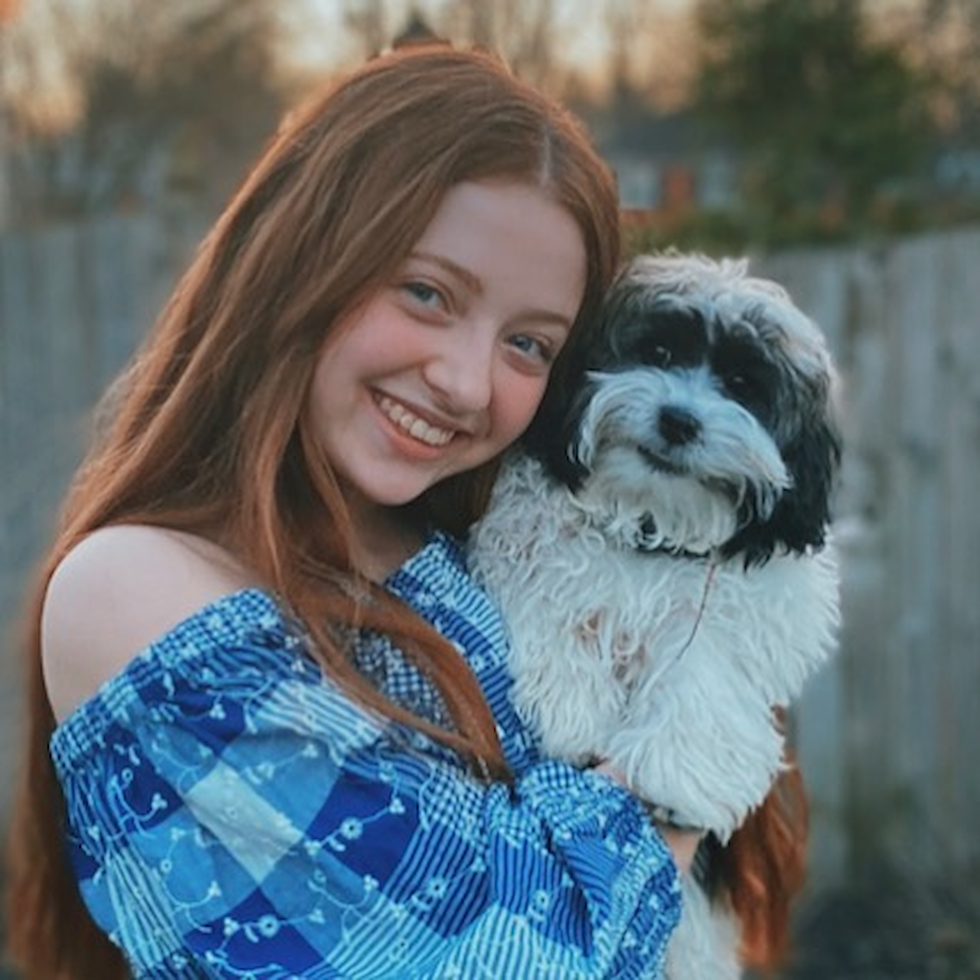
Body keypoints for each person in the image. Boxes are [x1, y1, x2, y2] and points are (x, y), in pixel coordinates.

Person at [4, 42, 704, 979]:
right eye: (426, 292)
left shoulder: (470, 554)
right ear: (299, 256)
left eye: (529, 345)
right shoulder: (135, 592)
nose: (464, 382)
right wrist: (675, 786)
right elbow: (513, 960)